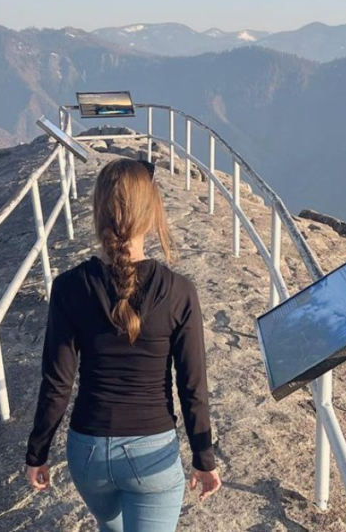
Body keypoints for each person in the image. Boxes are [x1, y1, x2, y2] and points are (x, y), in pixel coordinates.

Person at [25, 158, 221, 531]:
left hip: (88, 455)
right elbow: (192, 386)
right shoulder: (179, 291)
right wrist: (204, 458)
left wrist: (38, 452)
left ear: (98, 212)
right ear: (151, 215)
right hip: (152, 459)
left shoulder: (69, 286)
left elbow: (58, 383)